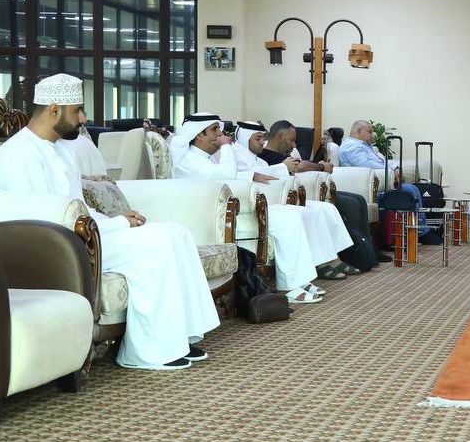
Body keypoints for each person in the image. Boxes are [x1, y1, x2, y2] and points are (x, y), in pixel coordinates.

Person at [0, 74, 219, 370]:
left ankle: (179, 337)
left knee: (175, 232)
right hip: (60, 246)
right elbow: (45, 220)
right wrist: (116, 225)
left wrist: (115, 219)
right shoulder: (17, 155)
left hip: (86, 232)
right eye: (77, 110)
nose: (83, 119)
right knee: (157, 242)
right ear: (54, 109)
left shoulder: (63, 150)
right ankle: (147, 353)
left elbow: (79, 208)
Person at [170, 114, 330, 304]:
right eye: (214, 129)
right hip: (212, 219)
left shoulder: (204, 158)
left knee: (292, 213)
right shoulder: (188, 160)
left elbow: (224, 175)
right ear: (198, 135)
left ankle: (299, 280)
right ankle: (290, 286)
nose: (220, 134)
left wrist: (250, 176)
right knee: (287, 219)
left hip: (227, 210)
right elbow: (225, 175)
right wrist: (227, 147)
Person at [232, 120, 359, 277]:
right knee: (303, 213)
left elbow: (268, 172)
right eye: (258, 139)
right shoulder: (236, 156)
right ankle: (318, 265)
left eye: (262, 138)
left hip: (278, 199)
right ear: (245, 139)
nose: (262, 142)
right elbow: (248, 175)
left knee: (324, 208)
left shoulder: (259, 158)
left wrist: (283, 168)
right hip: (261, 205)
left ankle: (332, 259)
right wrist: (283, 167)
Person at [335, 119, 428, 234]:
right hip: (367, 189)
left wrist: (396, 168)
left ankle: (420, 230)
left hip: (377, 183)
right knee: (409, 190)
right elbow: (366, 165)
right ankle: (419, 232)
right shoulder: (351, 147)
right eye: (369, 132)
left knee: (412, 188)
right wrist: (392, 171)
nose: (372, 135)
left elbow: (382, 161)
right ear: (358, 131)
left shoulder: (364, 146)